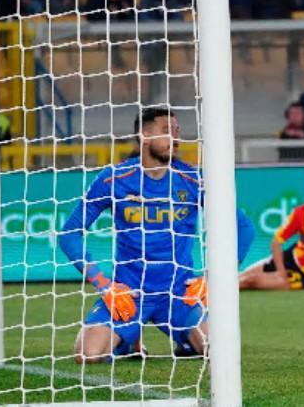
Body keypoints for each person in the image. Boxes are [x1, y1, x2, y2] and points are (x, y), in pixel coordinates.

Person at [58, 107, 210, 363]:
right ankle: (127, 341)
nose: (175, 138)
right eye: (167, 131)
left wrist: (212, 279)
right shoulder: (114, 179)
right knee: (87, 354)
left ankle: (186, 341)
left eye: (177, 131)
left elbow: (242, 228)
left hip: (179, 294)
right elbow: (69, 234)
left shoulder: (194, 180)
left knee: (217, 348)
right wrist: (104, 285)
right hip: (130, 294)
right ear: (144, 136)